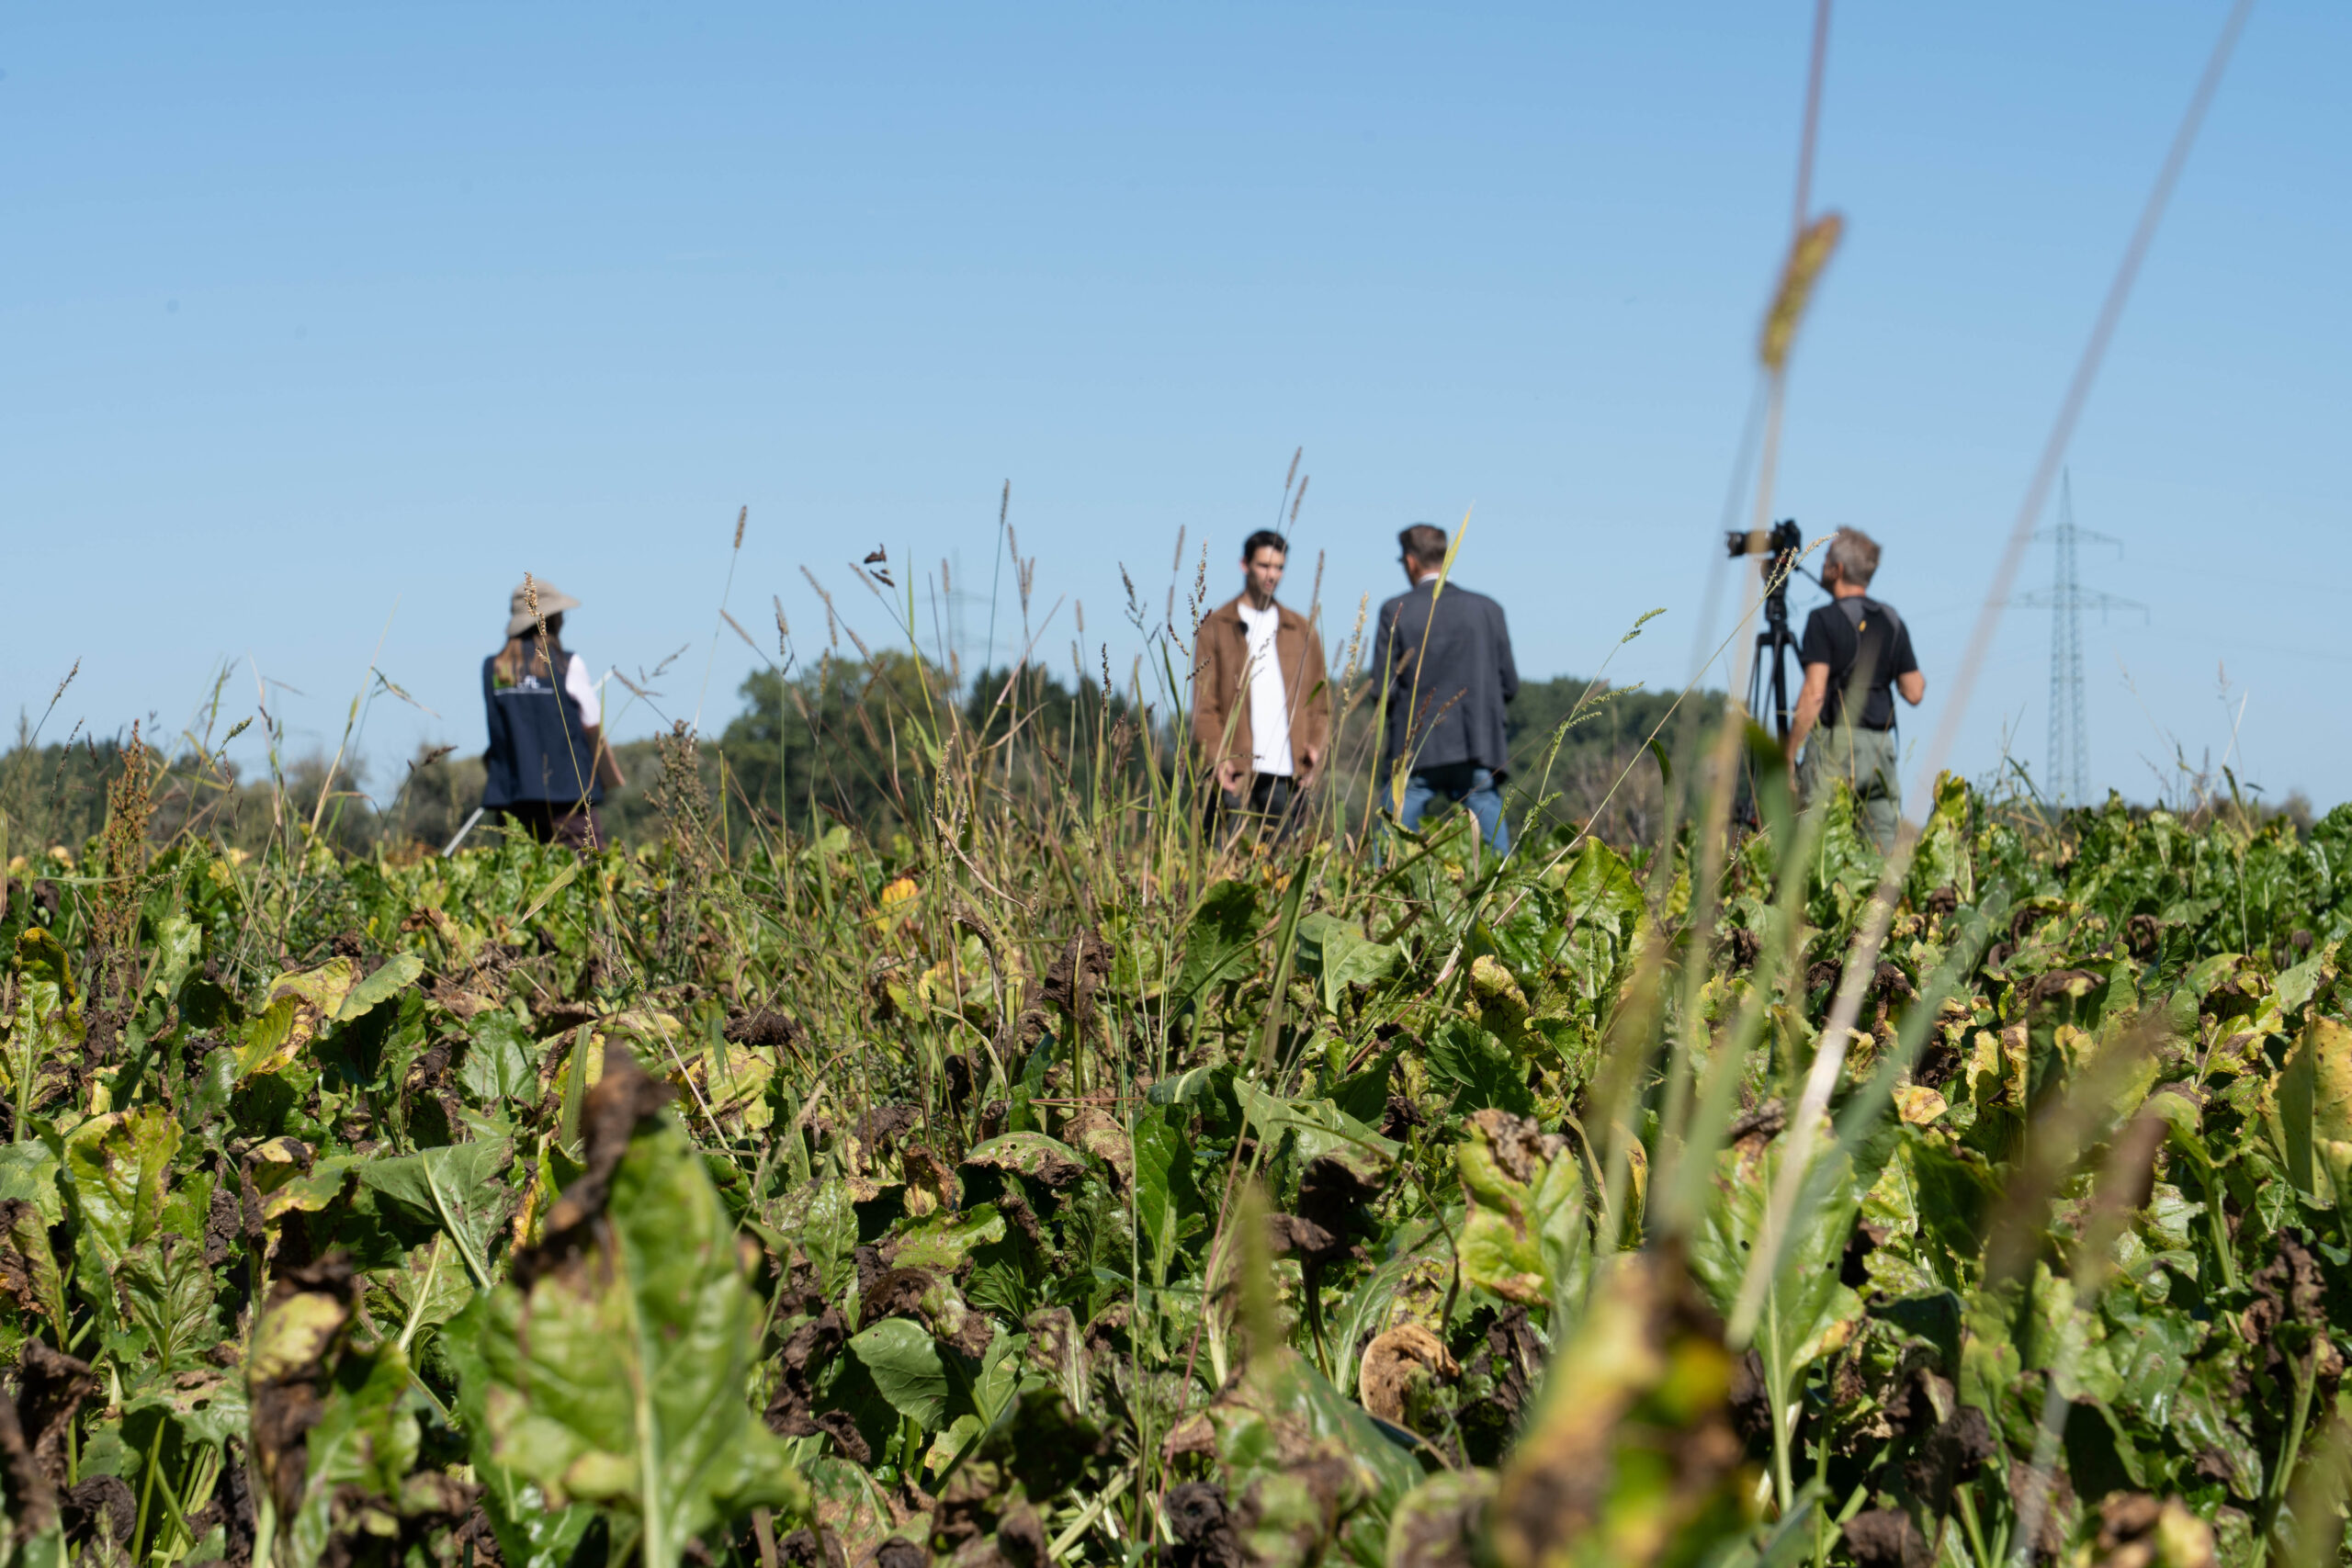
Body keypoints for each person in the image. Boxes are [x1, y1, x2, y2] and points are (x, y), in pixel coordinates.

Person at [1373, 523, 1519, 853]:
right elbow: (1509, 684)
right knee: (1486, 809)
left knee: (1393, 831)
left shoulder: (1396, 611)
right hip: (1476, 741)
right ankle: (1505, 893)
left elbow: (1383, 688)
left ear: (1410, 561)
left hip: (1415, 748)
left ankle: (1381, 894)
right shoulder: (1488, 609)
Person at [1786, 527, 1924, 852]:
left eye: (1825, 560)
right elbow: (1914, 690)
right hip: (1880, 750)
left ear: (1838, 569)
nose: (1822, 566)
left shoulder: (1824, 619)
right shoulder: (1891, 620)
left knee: (1817, 849)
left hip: (1836, 746)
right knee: (1881, 851)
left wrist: (1789, 753)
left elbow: (1814, 694)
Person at [1190, 529, 1331, 840]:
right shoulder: (1216, 627)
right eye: (1264, 566)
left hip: (1287, 768)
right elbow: (1204, 705)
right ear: (1245, 564)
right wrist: (1217, 755)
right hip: (1234, 770)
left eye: (1279, 567)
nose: (1272, 575)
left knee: (1283, 865)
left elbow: (1320, 704)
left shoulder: (1300, 629)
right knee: (1221, 863)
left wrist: (1315, 748)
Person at [481, 580, 625, 848]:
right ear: (552, 620)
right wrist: (608, 777)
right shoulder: (566, 664)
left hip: (513, 796)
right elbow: (592, 724)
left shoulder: (494, 669)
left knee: (525, 881)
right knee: (588, 878)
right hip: (569, 797)